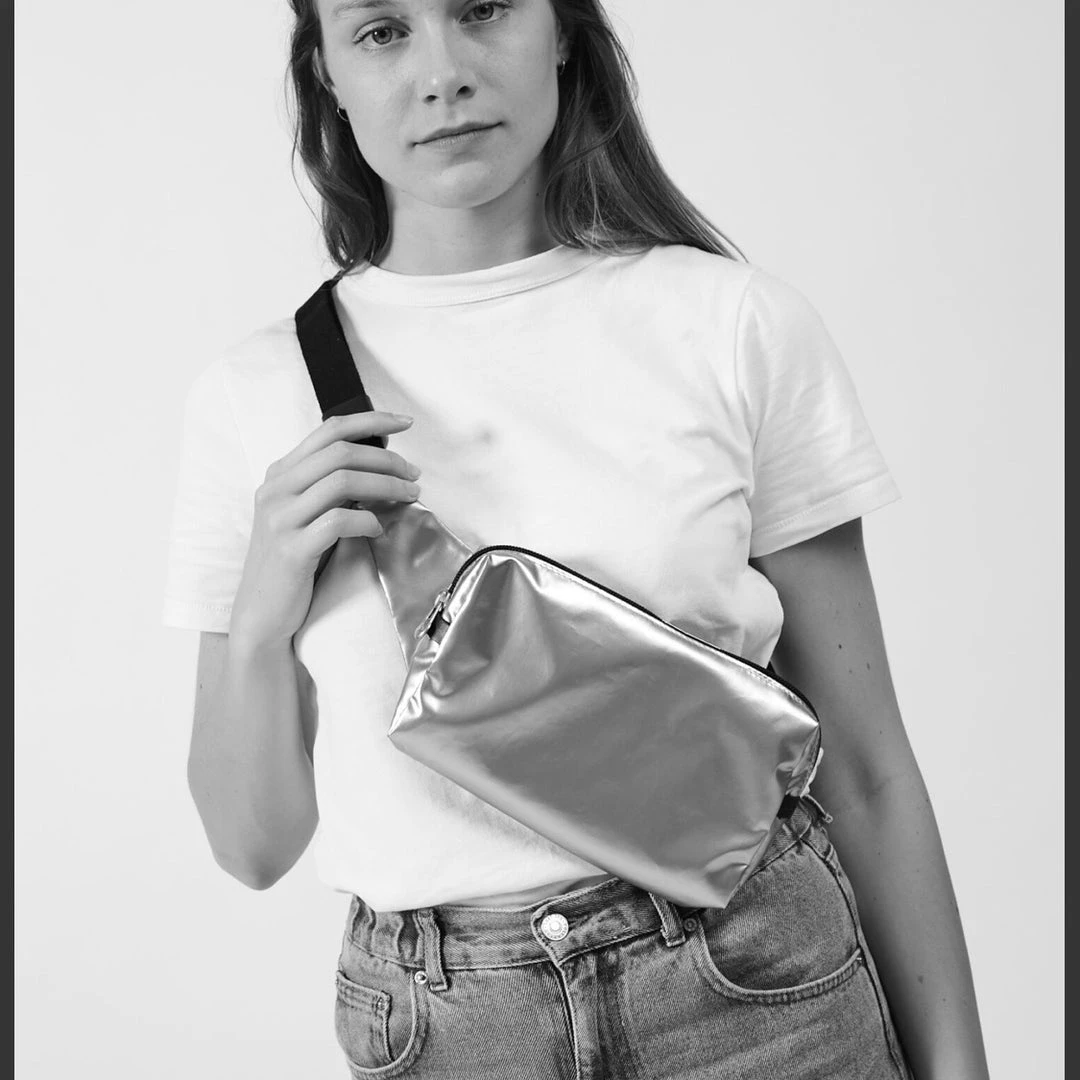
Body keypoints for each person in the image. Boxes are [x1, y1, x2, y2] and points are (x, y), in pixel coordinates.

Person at [162, 1, 992, 1077]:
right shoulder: (257, 394)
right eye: (381, 31)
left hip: (759, 993)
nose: (443, 72)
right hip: (447, 1029)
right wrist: (260, 617)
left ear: (561, 29)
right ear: (326, 73)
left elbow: (868, 770)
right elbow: (252, 847)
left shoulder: (735, 325)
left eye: (483, 10)